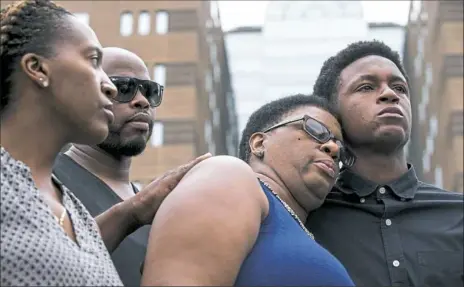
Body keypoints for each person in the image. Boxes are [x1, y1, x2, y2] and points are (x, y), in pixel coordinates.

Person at [0, 1, 208, 286]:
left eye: (149, 91)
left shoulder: (70, 209)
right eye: (92, 61)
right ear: (37, 68)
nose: (108, 87)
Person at [141, 94, 355, 286]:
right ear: (259, 143)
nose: (334, 149)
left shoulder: (305, 232)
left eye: (341, 150)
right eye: (316, 130)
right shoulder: (229, 175)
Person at [306, 40, 464, 287]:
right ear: (331, 116)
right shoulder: (304, 223)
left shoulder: (459, 215)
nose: (391, 94)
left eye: (400, 88)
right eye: (366, 87)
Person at [53, 47, 162, 286]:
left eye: (150, 91)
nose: (142, 101)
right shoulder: (43, 179)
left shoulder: (156, 207)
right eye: (123, 88)